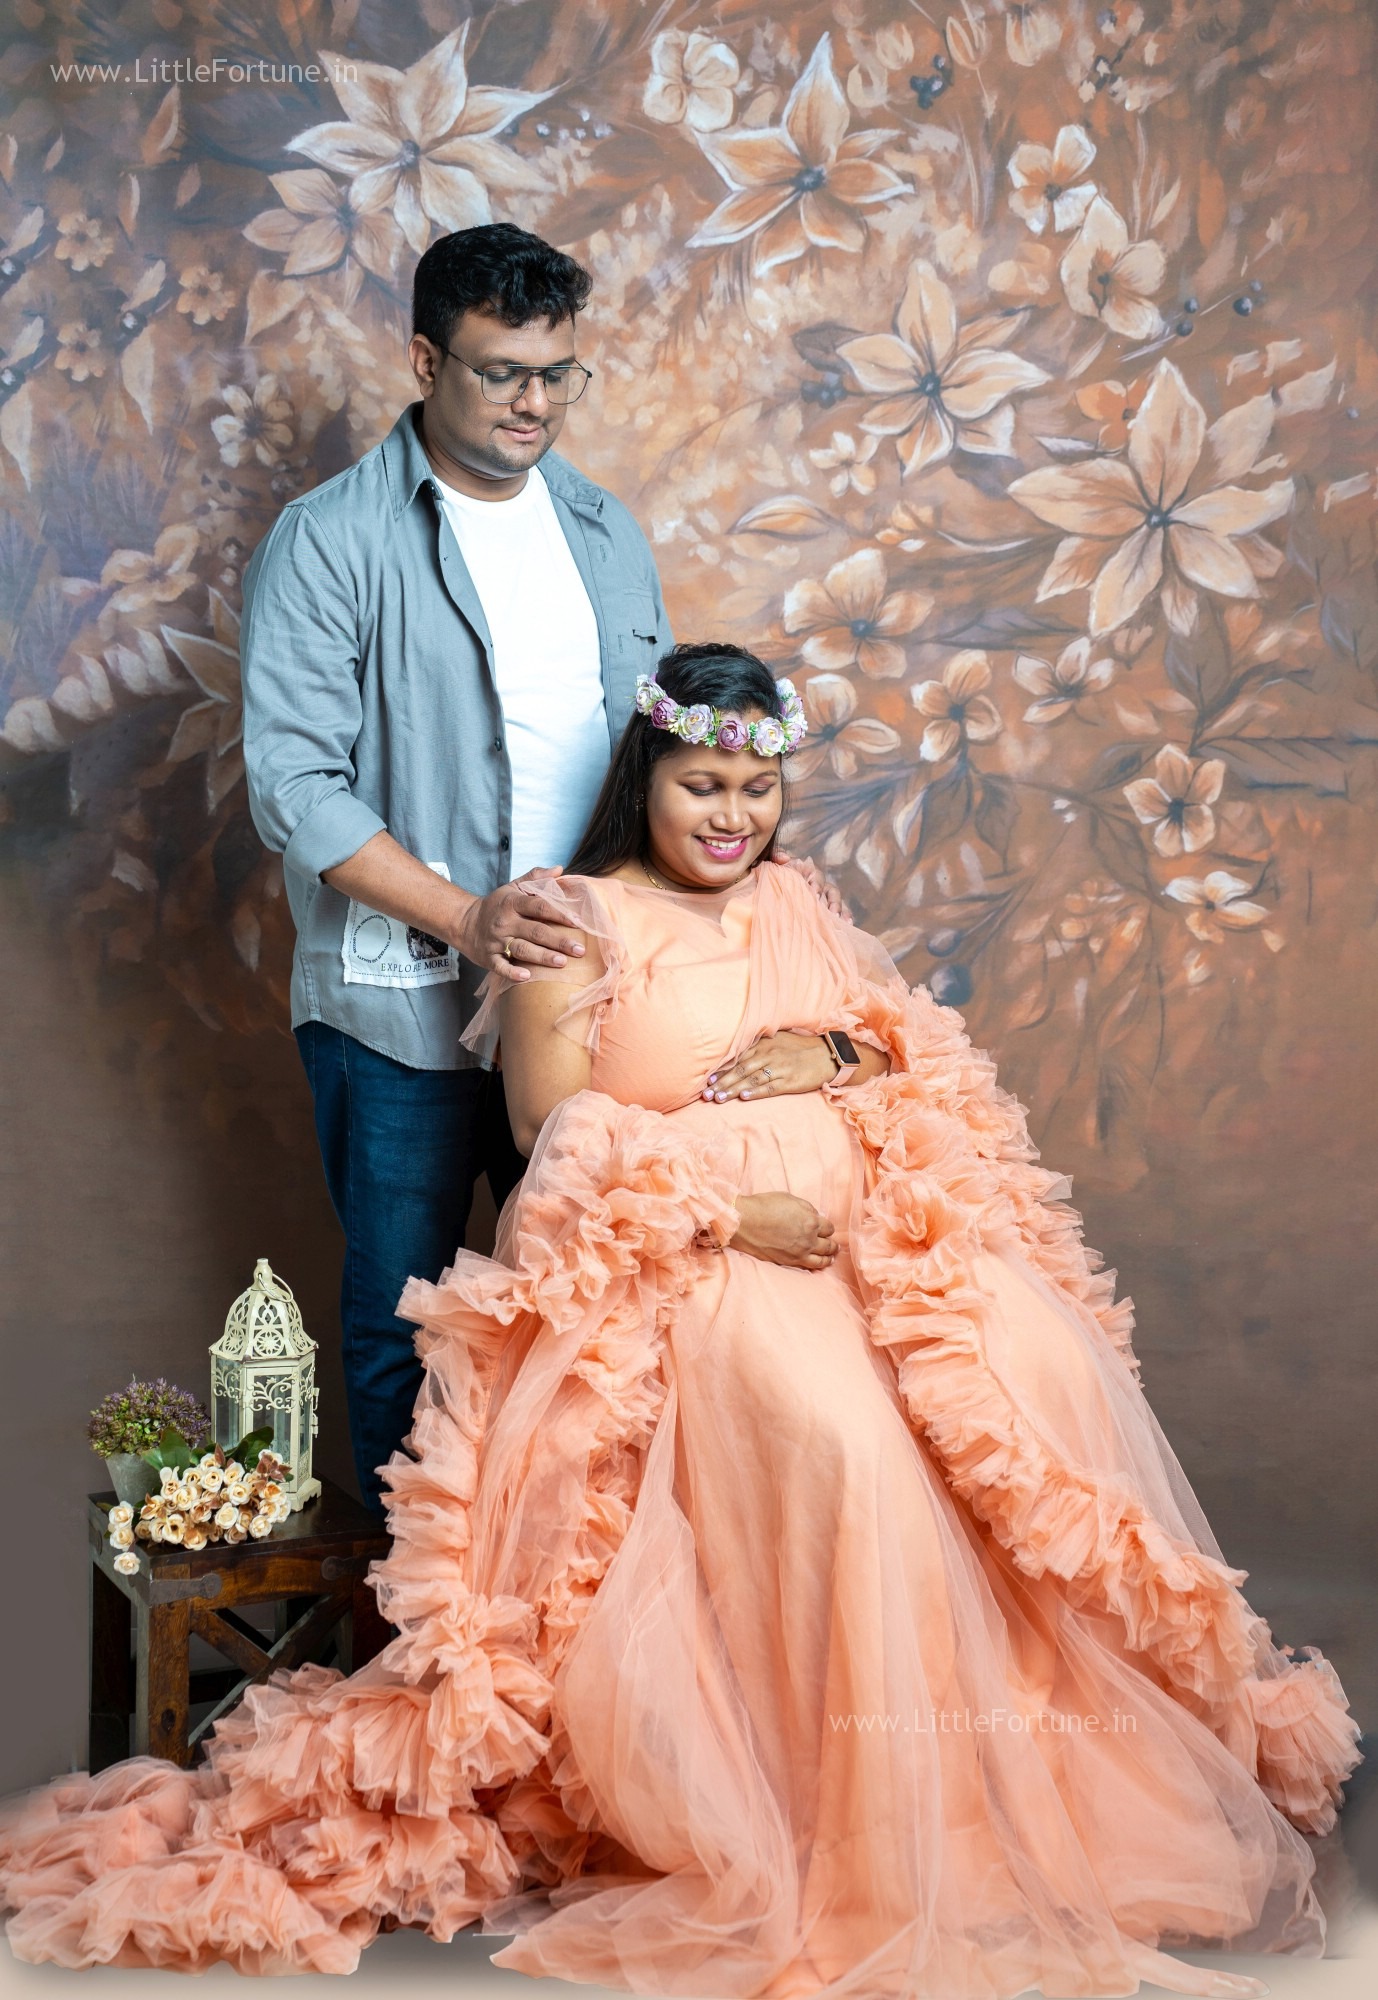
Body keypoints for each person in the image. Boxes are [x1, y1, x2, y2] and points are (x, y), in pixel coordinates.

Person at [0, 645, 1362, 1995]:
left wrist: (835, 1050)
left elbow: (903, 1038)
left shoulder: (797, 901)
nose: (732, 818)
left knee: (1040, 1378)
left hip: (871, 1248)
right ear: (647, 776)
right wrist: (730, 1211)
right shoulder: (577, 919)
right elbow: (547, 1128)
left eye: (757, 791)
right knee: (844, 1447)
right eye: (703, 786)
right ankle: (845, 1807)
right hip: (689, 1257)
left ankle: (1004, 1773)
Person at [239, 221, 675, 1521]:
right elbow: (294, 786)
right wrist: (468, 919)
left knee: (586, 1313)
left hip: (578, 1001)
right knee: (403, 1322)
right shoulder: (329, 539)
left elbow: (647, 758)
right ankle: (409, 1621)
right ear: (427, 361)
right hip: (400, 1010)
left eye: (556, 373)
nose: (534, 402)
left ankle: (551, 1615)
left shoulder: (603, 531)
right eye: (501, 372)